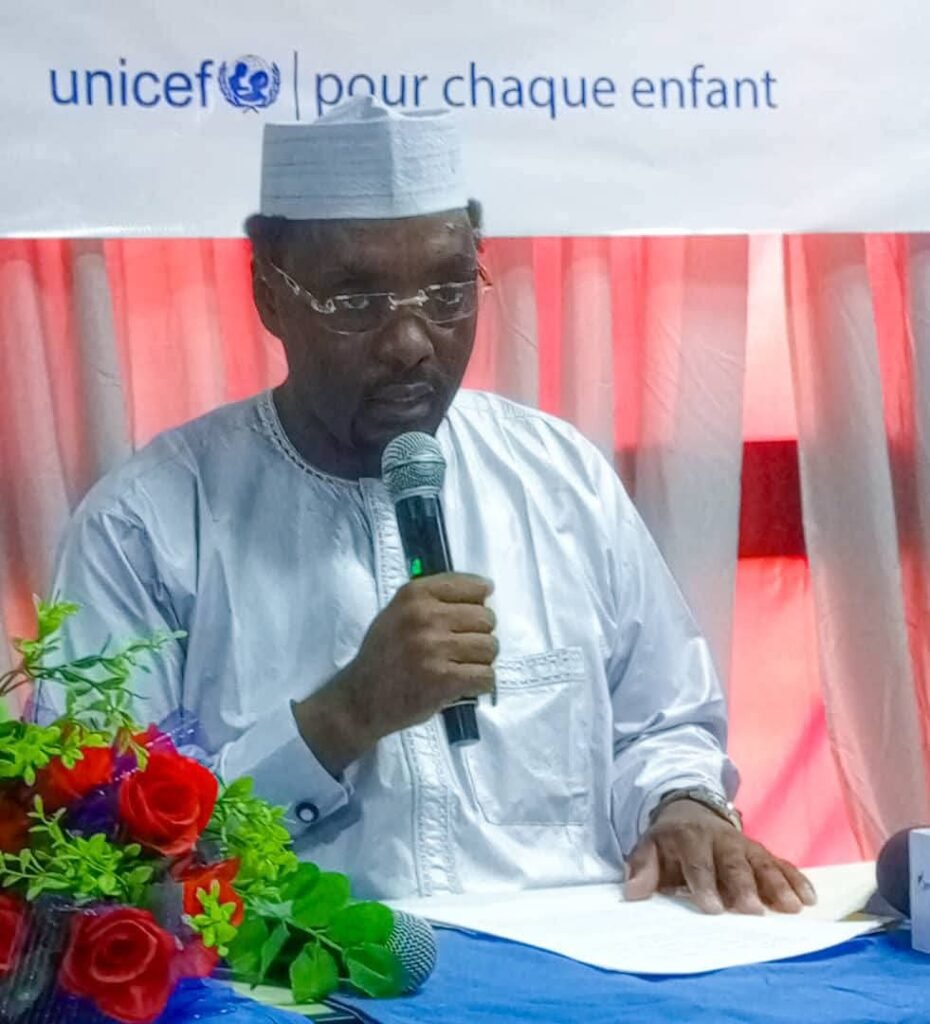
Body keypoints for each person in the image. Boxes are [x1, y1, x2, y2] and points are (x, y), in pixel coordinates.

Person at [44, 97, 815, 914]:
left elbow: (661, 725)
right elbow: (89, 847)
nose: (411, 342)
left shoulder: (559, 479)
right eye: (355, 300)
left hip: (569, 956)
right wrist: (341, 717)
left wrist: (682, 805)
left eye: (448, 290)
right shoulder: (147, 526)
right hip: (294, 971)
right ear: (269, 293)